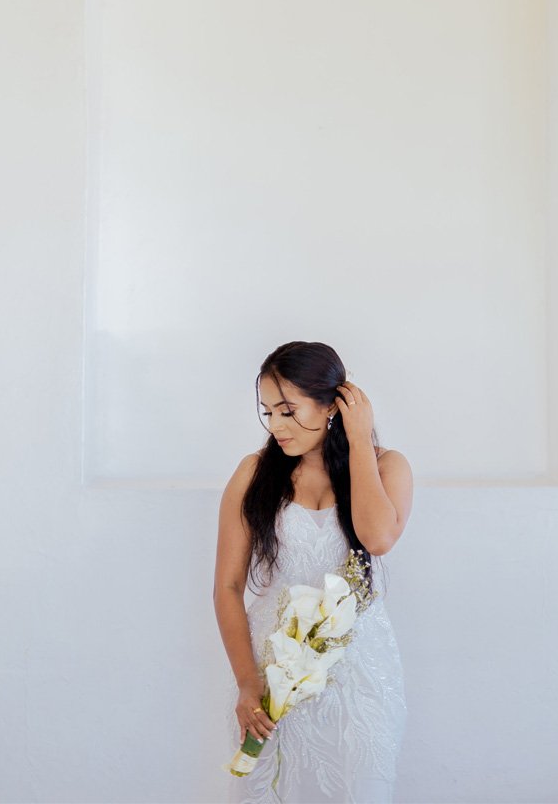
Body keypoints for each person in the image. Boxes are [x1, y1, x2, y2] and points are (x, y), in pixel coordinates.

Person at [214, 340, 413, 804]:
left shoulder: (387, 465)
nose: (276, 426)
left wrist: (358, 440)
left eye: (288, 411)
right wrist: (248, 684)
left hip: (360, 672)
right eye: (268, 412)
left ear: (331, 406)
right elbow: (227, 585)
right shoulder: (254, 471)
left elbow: (377, 539)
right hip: (271, 671)